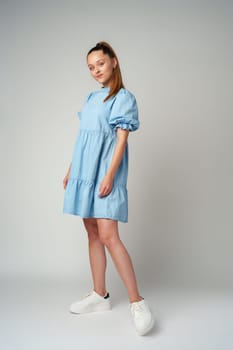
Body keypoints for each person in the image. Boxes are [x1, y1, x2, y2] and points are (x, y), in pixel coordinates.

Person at [63, 41, 154, 336]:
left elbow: (121, 140)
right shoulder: (91, 98)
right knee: (90, 231)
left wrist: (110, 175)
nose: (95, 71)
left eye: (100, 64)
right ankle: (99, 294)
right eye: (90, 67)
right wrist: (70, 170)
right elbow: (83, 138)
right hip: (83, 172)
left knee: (108, 235)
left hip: (105, 173)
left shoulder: (123, 97)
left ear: (114, 61)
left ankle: (137, 302)